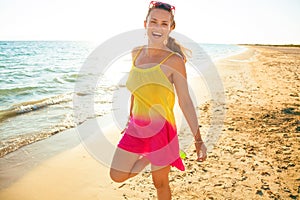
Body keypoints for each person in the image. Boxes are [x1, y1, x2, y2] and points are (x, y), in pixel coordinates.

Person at [110, 1, 207, 199]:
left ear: (171, 28)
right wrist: (130, 118)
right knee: (117, 175)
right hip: (136, 127)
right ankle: (148, 156)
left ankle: (161, 153)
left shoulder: (174, 61)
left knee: (160, 183)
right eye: (154, 21)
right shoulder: (136, 53)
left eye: (164, 24)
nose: (158, 27)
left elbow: (185, 102)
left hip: (162, 131)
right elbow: (137, 90)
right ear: (145, 24)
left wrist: (198, 140)